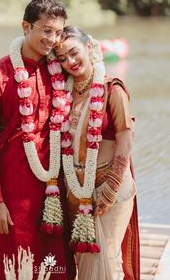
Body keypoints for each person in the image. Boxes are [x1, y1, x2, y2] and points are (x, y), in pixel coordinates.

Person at [0, 0, 76, 280]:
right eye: (46, 30)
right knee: (7, 268)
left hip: (52, 193)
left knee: (54, 269)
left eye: (58, 32)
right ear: (25, 27)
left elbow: (90, 85)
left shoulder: (60, 70)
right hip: (12, 190)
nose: (52, 39)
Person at [54, 26, 140, 280]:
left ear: (89, 48)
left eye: (74, 53)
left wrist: (110, 188)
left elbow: (125, 140)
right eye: (62, 59)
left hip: (111, 190)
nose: (70, 62)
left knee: (106, 259)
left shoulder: (112, 89)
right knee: (83, 261)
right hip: (77, 192)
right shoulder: (63, 94)